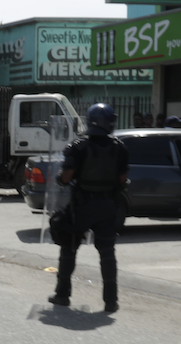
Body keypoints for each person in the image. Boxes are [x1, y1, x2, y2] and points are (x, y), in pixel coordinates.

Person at [48, 103, 129, 314]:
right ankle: (111, 301)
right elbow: (123, 180)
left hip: (82, 206)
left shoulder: (78, 146)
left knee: (68, 249)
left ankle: (62, 295)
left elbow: (65, 178)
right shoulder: (118, 147)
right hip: (108, 206)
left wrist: (60, 177)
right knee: (107, 254)